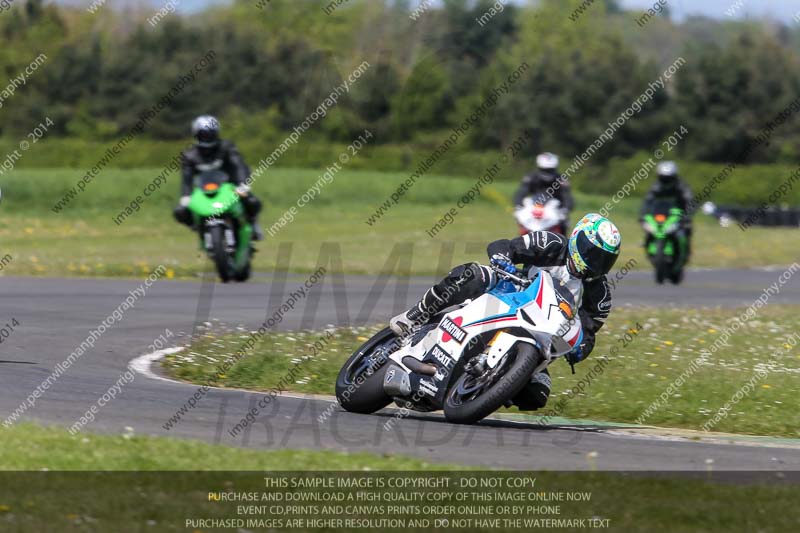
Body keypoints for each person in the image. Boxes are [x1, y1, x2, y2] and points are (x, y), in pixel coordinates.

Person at [390, 214, 621, 411]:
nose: (595, 262)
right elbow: (506, 247)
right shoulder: (550, 243)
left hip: (543, 335)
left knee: (537, 396)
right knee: (472, 274)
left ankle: (484, 388)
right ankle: (415, 315)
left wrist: (579, 350)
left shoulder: (600, 294)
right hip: (510, 293)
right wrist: (502, 259)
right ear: (577, 238)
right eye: (591, 252)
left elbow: (588, 333)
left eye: (604, 259)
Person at [173, 115, 263, 239]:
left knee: (252, 202)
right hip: (204, 191)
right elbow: (186, 179)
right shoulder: (190, 156)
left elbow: (239, 166)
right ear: (196, 134)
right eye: (203, 134)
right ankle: (198, 227)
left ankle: (253, 224)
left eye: (210, 134)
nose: (207, 137)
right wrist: (186, 196)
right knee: (180, 212)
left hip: (230, 186)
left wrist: (243, 185)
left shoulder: (227, 147)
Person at [640, 161, 692, 256]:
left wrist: (687, 216)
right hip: (660, 213)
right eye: (663, 178)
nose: (665, 181)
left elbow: (689, 201)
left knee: (687, 228)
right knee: (649, 229)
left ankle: (686, 249)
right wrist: (643, 215)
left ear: (674, 177)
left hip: (677, 214)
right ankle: (648, 243)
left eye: (668, 178)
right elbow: (647, 201)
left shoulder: (681, 186)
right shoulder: (655, 187)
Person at [513, 152, 575, 223]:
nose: (547, 172)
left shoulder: (561, 180)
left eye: (550, 170)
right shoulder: (531, 177)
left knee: (564, 223)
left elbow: (567, 196)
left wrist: (565, 209)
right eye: (544, 169)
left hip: (556, 210)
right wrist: (518, 206)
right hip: (535, 208)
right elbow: (521, 192)